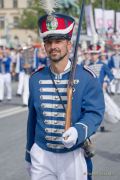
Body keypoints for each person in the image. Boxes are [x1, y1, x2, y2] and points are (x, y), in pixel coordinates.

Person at [25, 13, 105, 180]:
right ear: (44, 46)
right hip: (42, 155)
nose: (53, 46)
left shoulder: (87, 78)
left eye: (58, 41)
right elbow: (32, 119)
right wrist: (29, 154)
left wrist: (78, 131)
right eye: (48, 42)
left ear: (69, 45)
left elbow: (94, 112)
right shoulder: (35, 78)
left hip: (73, 155)